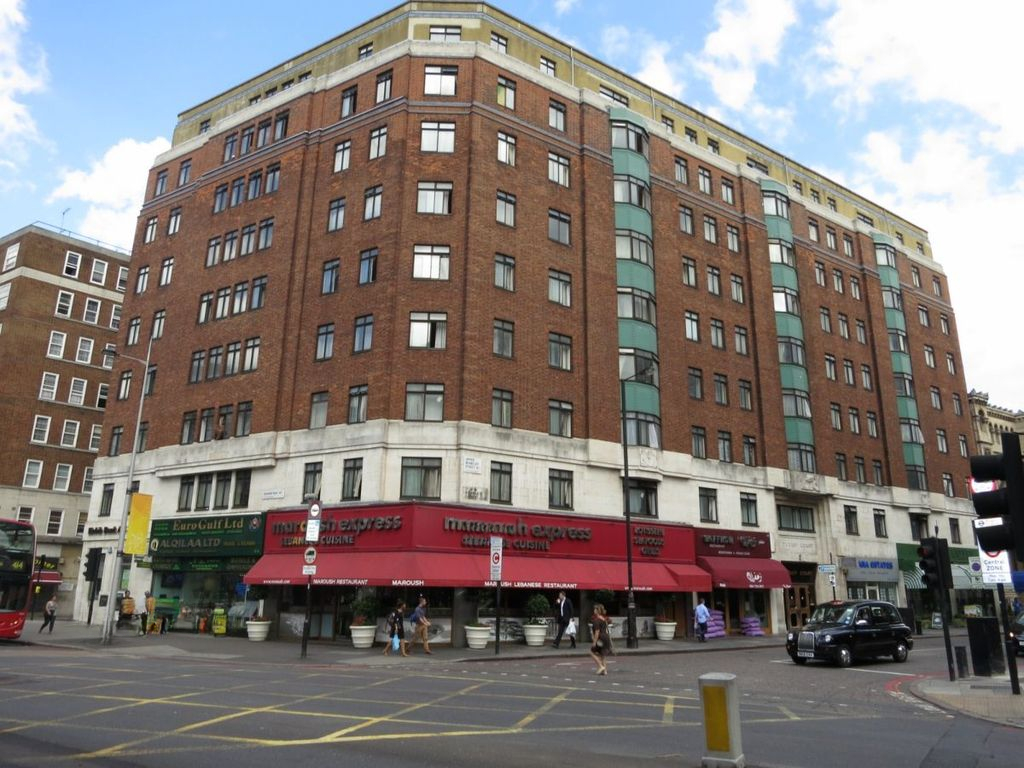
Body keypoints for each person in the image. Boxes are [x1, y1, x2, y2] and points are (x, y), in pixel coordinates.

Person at [588, 603, 611, 675]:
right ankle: (605, 671)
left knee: (591, 652)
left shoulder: (596, 620)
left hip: (601, 638)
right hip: (606, 637)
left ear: (597, 611)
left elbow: (597, 632)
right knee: (602, 654)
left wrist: (594, 642)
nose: (594, 610)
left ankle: (601, 666)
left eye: (595, 609)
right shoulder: (603, 619)